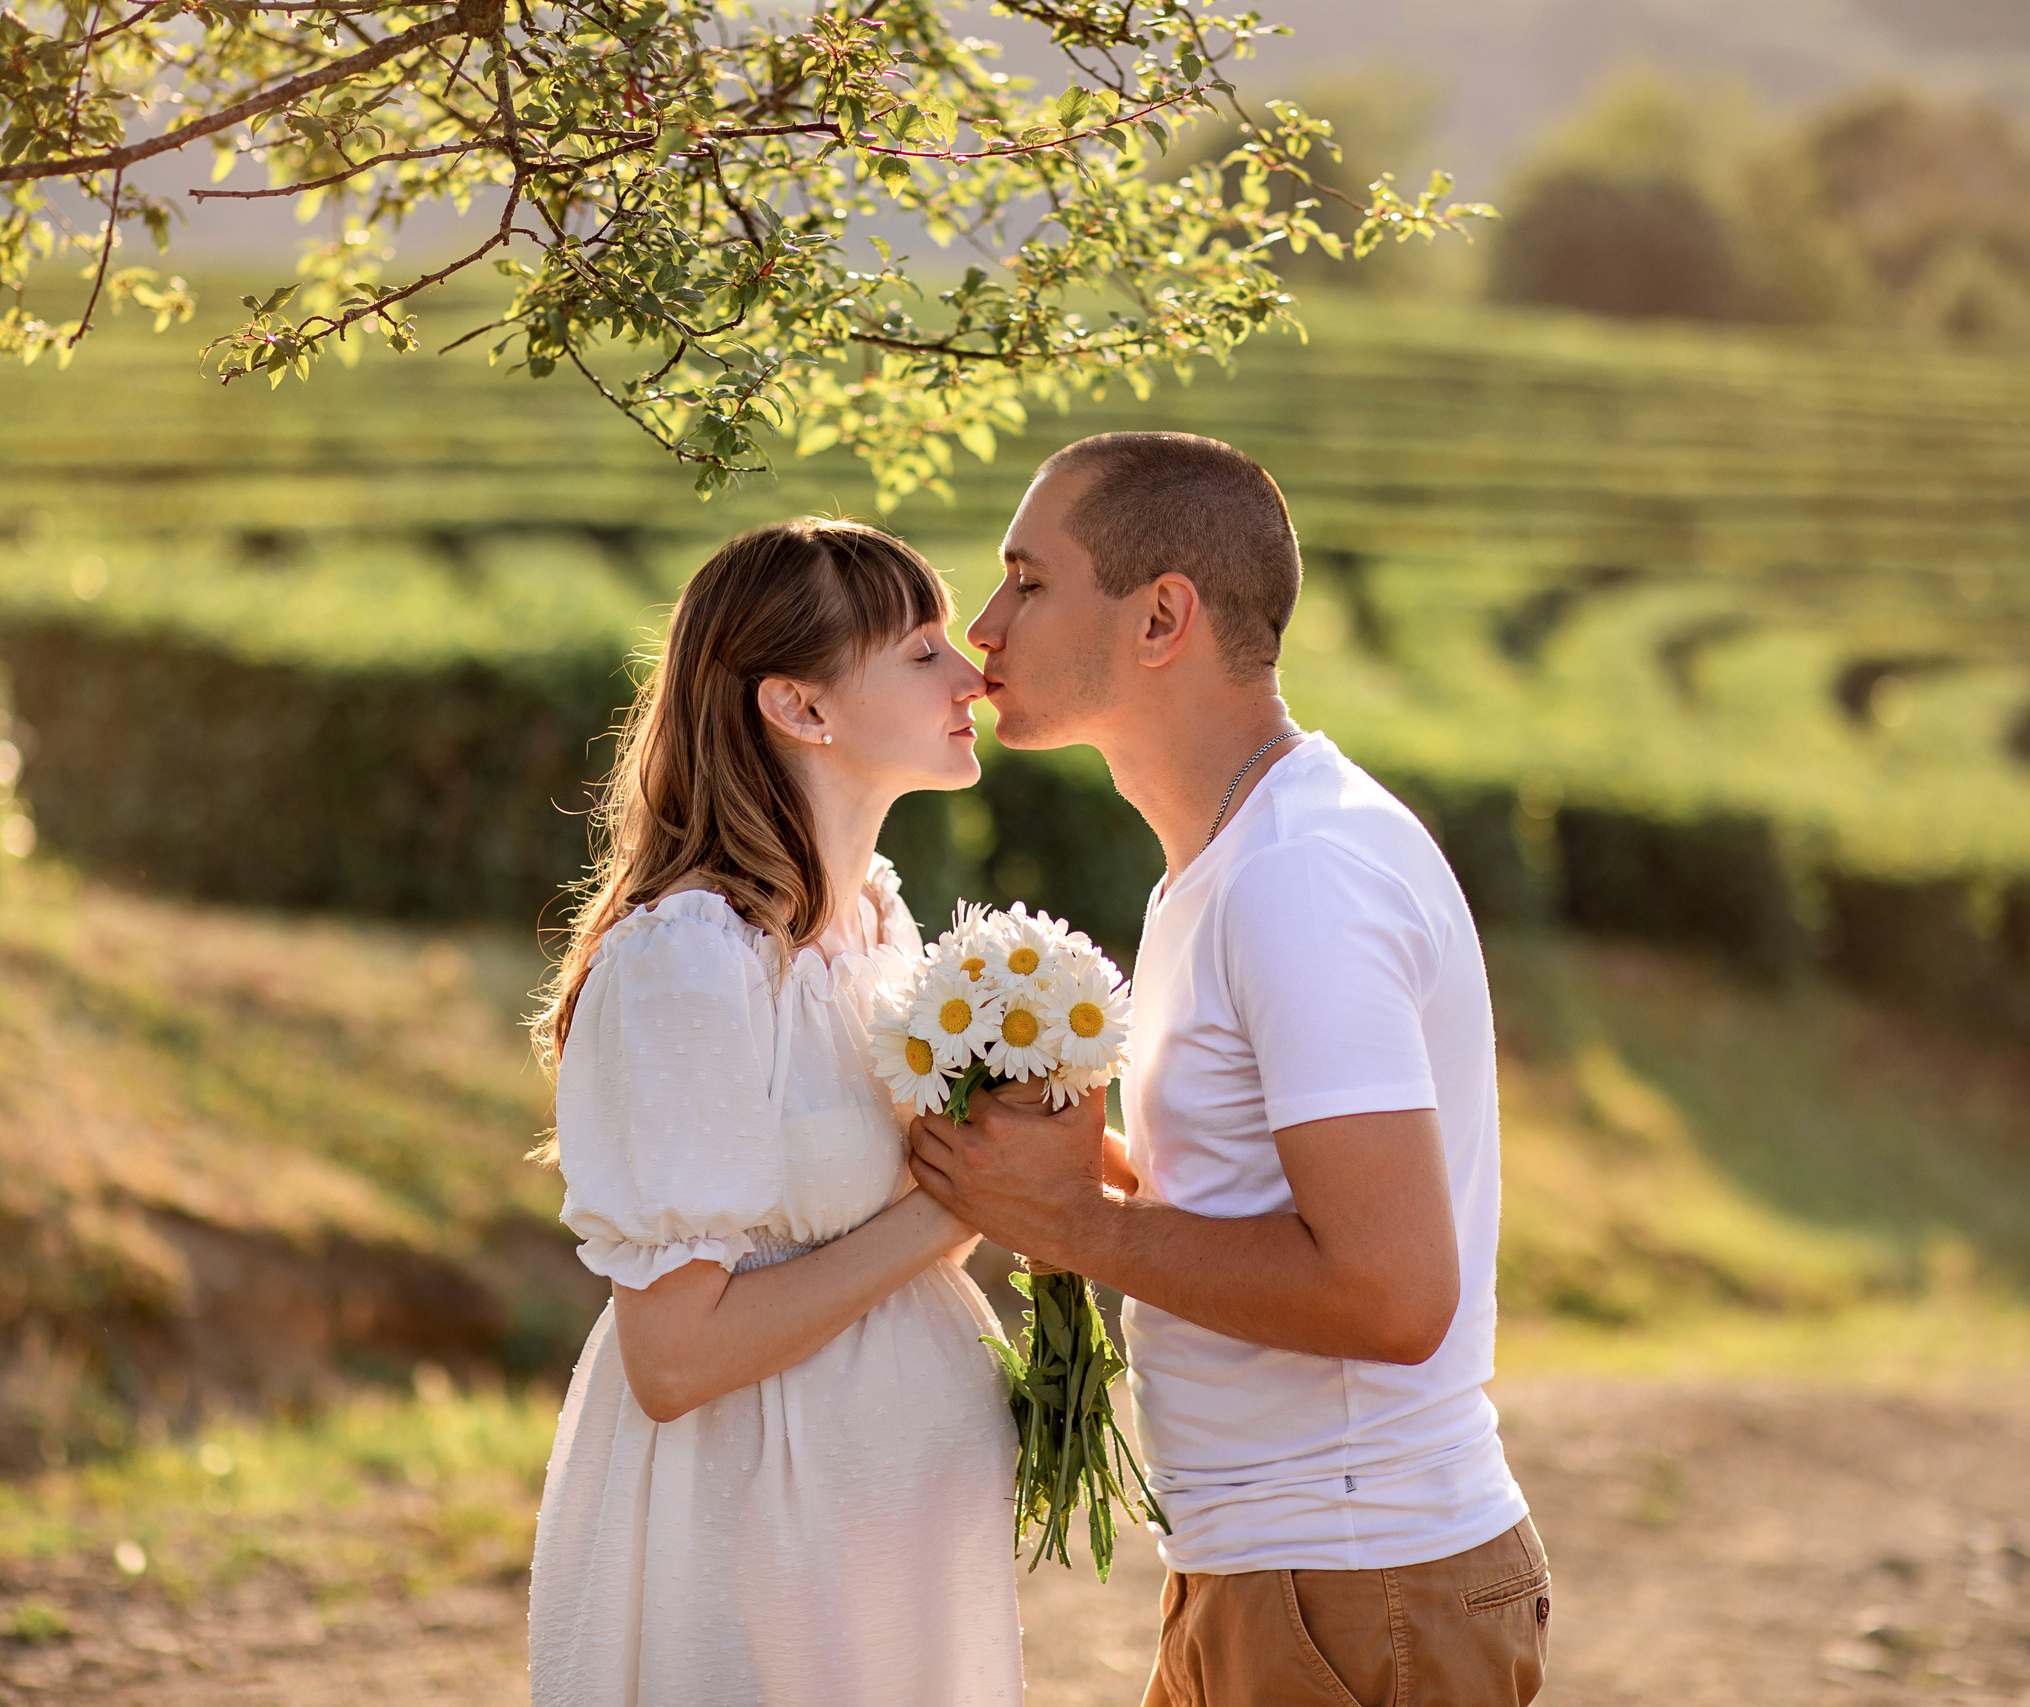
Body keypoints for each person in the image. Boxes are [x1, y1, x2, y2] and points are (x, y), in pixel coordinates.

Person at [908, 433, 1549, 1707]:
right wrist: (1084, 1174)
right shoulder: (1229, 862)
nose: (983, 627)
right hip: (1278, 1582)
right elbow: (1273, 1208)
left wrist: (1073, 1224)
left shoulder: (1296, 876)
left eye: (1027, 582)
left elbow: (1389, 1293)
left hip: (1357, 1589)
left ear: (1161, 617)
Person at [526, 519, 1021, 1707]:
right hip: (753, 1517)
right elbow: (673, 1356)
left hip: (885, 1519)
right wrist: (952, 1213)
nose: (972, 677)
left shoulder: (881, 926)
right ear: (800, 708)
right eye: (919, 652)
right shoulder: (691, 963)